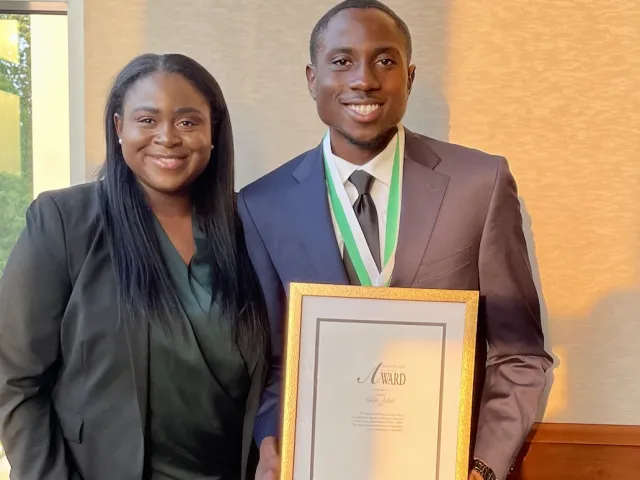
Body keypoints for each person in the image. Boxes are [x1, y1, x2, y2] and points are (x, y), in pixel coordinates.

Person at [241, 1, 553, 480]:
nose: (363, 79)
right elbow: (275, 366)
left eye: (384, 61)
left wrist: (482, 467)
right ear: (311, 78)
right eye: (341, 61)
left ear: (408, 77)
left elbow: (520, 354)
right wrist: (270, 442)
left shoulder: (479, 184)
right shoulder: (263, 206)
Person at [0, 53, 271, 480]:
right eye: (147, 120)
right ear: (118, 128)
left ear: (213, 131)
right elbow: (14, 380)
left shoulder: (249, 230)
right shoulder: (65, 221)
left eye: (187, 122)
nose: (167, 137)